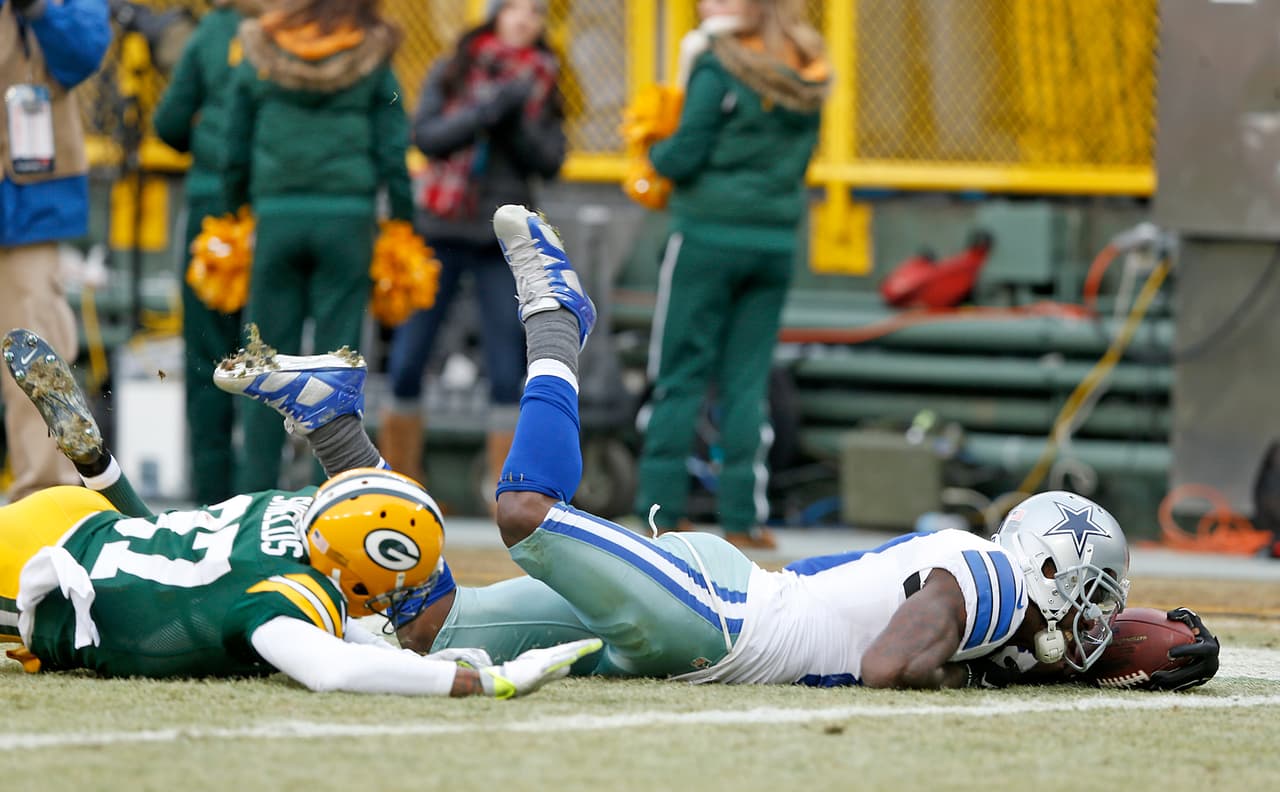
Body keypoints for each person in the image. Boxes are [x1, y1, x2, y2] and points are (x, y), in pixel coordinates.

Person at [216, 204, 1220, 691]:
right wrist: (999, 677)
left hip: (708, 598)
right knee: (522, 514)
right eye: (1085, 593)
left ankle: (334, 422)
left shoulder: (986, 580)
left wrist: (1028, 664)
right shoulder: (988, 577)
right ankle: (558, 324)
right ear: (1049, 562)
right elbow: (884, 668)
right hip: (720, 620)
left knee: (432, 620)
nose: (1084, 616)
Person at [0, 328, 599, 696]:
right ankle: (100, 466)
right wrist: (478, 681)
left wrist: (422, 656)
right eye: (392, 589)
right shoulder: (287, 594)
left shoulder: (288, 510)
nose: (387, 605)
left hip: (81, 521)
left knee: (156, 543)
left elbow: (342, 630)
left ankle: (101, 469)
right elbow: (334, 667)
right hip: (40, 574)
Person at [634, 0, 831, 549]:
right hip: (774, 241)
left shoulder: (717, 62)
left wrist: (653, 143)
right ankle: (744, 517)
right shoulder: (810, 67)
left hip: (705, 236)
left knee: (678, 374)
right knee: (748, 382)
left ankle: (660, 509)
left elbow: (682, 156)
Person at [223, 0, 413, 493]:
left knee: (262, 360)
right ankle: (335, 489)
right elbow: (394, 150)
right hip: (347, 221)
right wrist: (404, 223)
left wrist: (233, 210)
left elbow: (234, 146)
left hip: (277, 217)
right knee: (338, 360)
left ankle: (255, 494)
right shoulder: (372, 53)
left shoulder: (262, 50)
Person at [379, 0, 565, 497]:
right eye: (517, 9)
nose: (527, 20)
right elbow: (427, 137)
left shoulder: (544, 79)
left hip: (500, 240)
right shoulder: (455, 66)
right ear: (494, 15)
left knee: (508, 369)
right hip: (441, 229)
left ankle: (505, 489)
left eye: (537, 13)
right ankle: (399, 484)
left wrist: (515, 123)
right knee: (407, 360)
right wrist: (485, 113)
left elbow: (550, 160)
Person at [0, 0, 110, 501]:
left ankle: (45, 498)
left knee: (35, 344)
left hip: (29, 201)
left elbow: (84, 51)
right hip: (30, 197)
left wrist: (40, 7)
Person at [152, 0, 261, 505]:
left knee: (207, 358)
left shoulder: (210, 31)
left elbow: (170, 123)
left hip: (211, 210)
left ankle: (213, 502)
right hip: (269, 209)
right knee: (272, 359)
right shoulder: (303, 26)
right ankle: (267, 500)